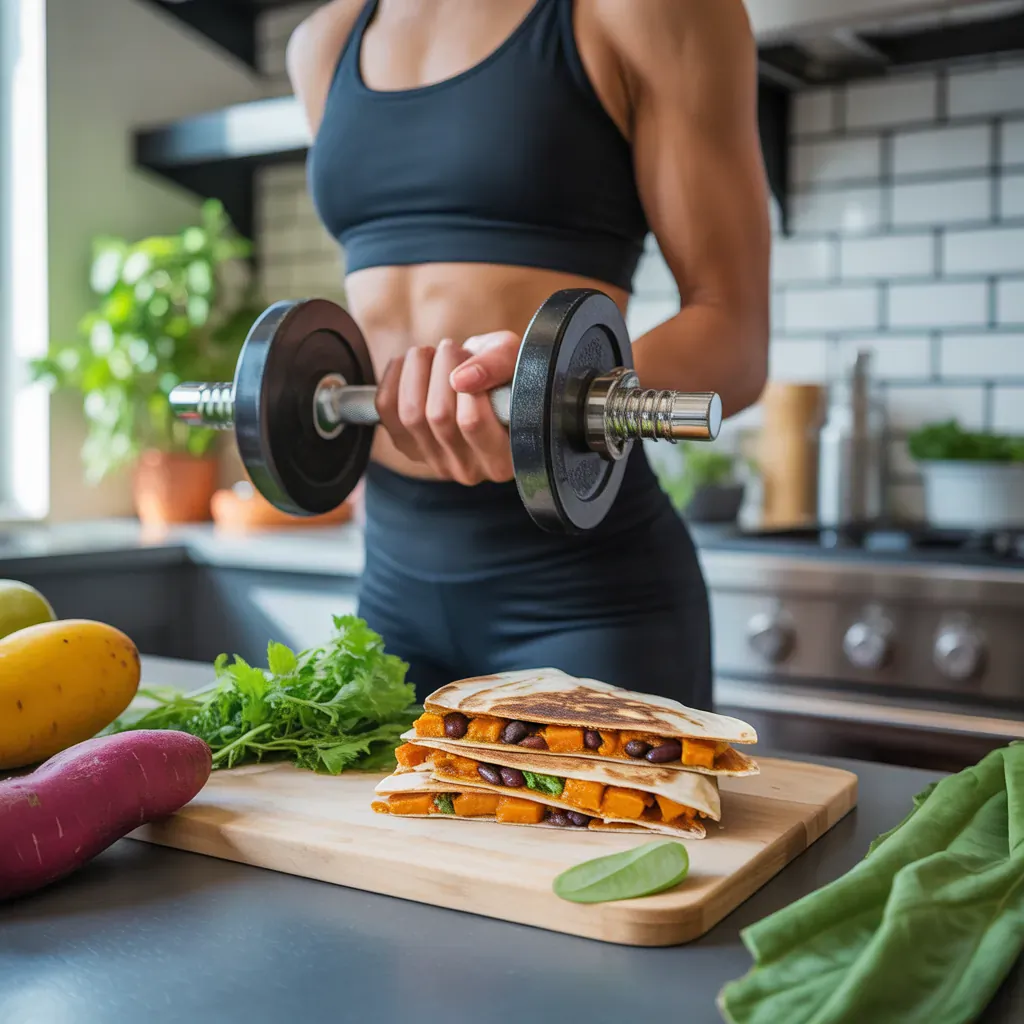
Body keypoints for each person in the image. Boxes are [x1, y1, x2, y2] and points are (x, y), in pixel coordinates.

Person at [286, 0, 770, 705]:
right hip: (389, 581)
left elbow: (735, 336)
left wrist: (551, 393)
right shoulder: (324, 43)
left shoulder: (643, 9)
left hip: (584, 594)